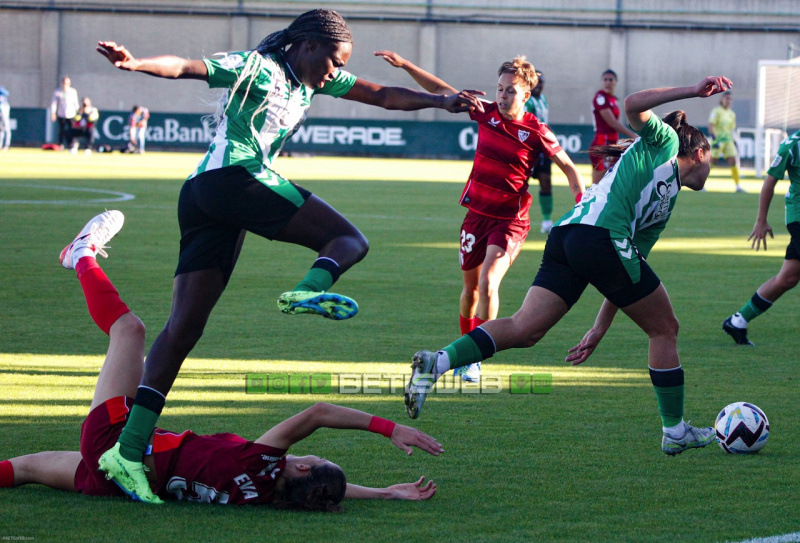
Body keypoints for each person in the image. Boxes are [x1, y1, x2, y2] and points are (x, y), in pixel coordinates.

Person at [94, 9, 483, 504]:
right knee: (348, 241)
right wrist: (136, 64)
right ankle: (307, 290)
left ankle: (126, 453)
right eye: (330, 60)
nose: (331, 72)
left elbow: (382, 95)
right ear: (305, 44)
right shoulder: (258, 68)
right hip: (234, 178)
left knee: (182, 329)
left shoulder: (313, 79)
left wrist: (443, 101)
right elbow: (190, 66)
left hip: (204, 195)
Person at [0, 210, 441, 509]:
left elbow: (319, 413)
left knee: (129, 330)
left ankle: (81, 255)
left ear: (303, 464)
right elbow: (320, 490)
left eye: (314, 460)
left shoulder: (262, 463)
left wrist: (390, 428)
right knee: (21, 470)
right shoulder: (264, 497)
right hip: (111, 485)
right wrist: (385, 493)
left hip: (117, 446)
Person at [404, 76, 733, 457]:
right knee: (665, 330)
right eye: (712, 158)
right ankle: (675, 431)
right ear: (699, 152)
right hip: (598, 237)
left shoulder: (666, 202)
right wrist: (693, 89)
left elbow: (630, 267)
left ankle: (437, 361)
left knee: (525, 329)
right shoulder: (665, 142)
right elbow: (633, 104)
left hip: (570, 237)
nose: (713, 166)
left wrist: (597, 329)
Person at [373, 50, 584, 383]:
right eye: (500, 88)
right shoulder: (484, 113)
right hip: (476, 216)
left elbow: (570, 169)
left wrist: (580, 203)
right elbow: (443, 91)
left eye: (510, 90)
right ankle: (465, 348)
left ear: (526, 95)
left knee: (488, 282)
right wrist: (406, 65)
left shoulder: (536, 131)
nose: (502, 95)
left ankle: (475, 359)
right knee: (470, 290)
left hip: (510, 221)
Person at [722, 129, 800, 345]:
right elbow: (770, 181)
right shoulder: (792, 145)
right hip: (799, 217)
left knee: (788, 278)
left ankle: (737, 321)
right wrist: (761, 220)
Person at [524, 71, 558, 234]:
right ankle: (514, 216)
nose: (539, 85)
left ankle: (546, 221)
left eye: (541, 82)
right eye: (536, 82)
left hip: (543, 149)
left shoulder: (543, 100)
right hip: (529, 150)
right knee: (520, 185)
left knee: (546, 183)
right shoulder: (526, 100)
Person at [589, 69, 638, 184]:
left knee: (610, 180)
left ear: (615, 82)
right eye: (605, 79)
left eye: (611, 80)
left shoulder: (611, 99)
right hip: (602, 142)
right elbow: (612, 123)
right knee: (599, 183)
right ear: (601, 82)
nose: (608, 82)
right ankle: (589, 201)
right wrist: (633, 135)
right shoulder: (600, 97)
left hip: (611, 142)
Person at [708, 91, 744, 193]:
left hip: (728, 140)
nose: (728, 100)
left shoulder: (732, 114)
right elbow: (711, 126)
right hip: (717, 140)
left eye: (730, 99)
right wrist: (714, 140)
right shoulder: (717, 111)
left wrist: (733, 140)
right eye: (726, 98)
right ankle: (701, 183)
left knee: (733, 161)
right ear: (722, 99)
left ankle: (737, 186)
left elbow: (731, 129)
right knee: (712, 161)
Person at [50, 76, 80, 150]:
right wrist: (53, 113)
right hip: (61, 114)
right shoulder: (58, 92)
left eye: (66, 83)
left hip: (71, 114)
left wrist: (78, 113)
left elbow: (75, 103)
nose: (65, 85)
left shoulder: (72, 91)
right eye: (64, 83)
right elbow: (54, 103)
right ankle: (61, 144)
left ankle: (72, 144)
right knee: (61, 130)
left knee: (71, 130)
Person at [0, 86, 10, 151]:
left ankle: (7, 145)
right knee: (1, 129)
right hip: (1, 109)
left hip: (4, 108)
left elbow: (7, 93)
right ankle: (0, 145)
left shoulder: (1, 91)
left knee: (6, 127)